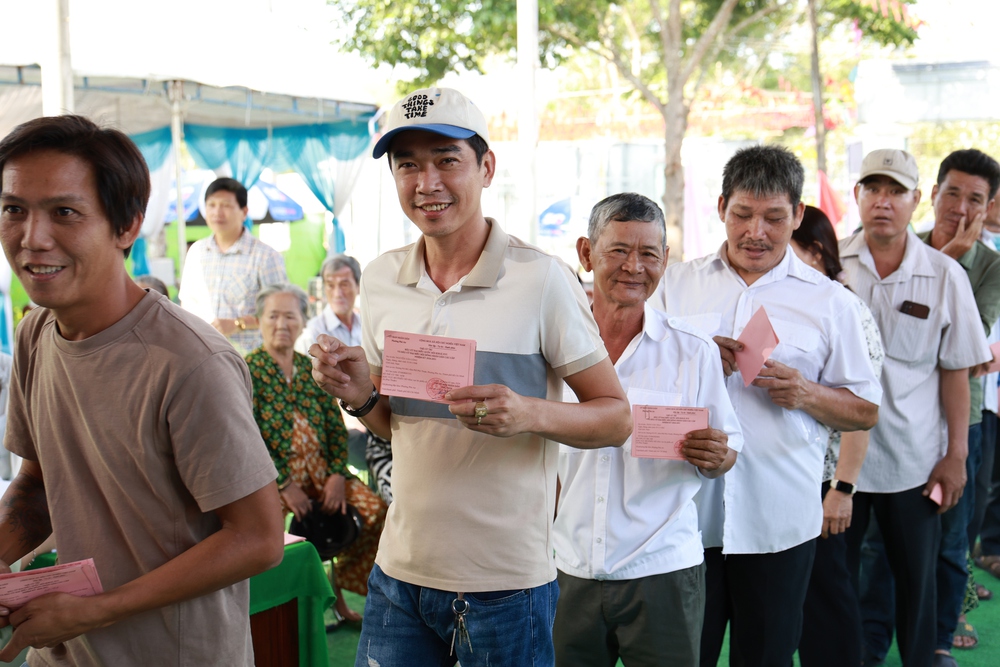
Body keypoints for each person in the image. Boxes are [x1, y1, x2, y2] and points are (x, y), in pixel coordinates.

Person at [310, 87, 632, 667]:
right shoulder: (382, 279)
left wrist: (529, 412)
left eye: (445, 160)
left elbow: (616, 417)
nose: (426, 181)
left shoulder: (542, 280)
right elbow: (395, 424)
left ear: (485, 167)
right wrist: (360, 395)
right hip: (399, 572)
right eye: (407, 164)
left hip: (507, 585)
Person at [0, 114, 284, 665]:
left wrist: (98, 608)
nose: (32, 239)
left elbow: (258, 537)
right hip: (69, 647)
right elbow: (37, 488)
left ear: (127, 225)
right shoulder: (36, 331)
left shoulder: (190, 363)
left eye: (64, 212)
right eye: (13, 209)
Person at [653, 144, 882, 667]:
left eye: (775, 218)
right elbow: (635, 373)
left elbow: (865, 410)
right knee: (686, 656)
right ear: (720, 208)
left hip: (779, 522)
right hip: (683, 518)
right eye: (743, 215)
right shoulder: (674, 287)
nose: (756, 232)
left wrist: (807, 393)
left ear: (798, 216)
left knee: (767, 657)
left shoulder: (831, 303)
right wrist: (695, 359)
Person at [552, 193, 743, 667]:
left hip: (662, 569)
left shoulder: (693, 350)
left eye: (649, 254)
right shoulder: (548, 345)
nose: (634, 266)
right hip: (563, 564)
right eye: (618, 250)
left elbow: (729, 446)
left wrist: (718, 456)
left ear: (665, 261)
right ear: (585, 252)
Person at [839, 148, 991, 667]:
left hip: (913, 462)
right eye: (872, 189)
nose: (882, 202)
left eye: (895, 191)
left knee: (918, 588)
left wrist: (955, 455)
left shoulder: (945, 275)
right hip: (839, 470)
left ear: (914, 200)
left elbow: (955, 374)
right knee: (838, 586)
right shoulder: (830, 268)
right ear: (856, 196)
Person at [247, 282, 386, 626]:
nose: (282, 324)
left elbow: (334, 425)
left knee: (375, 512)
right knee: (273, 536)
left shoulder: (313, 367)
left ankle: (337, 596)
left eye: (290, 316)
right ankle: (287, 616)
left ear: (301, 322)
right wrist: (282, 484)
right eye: (273, 316)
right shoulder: (248, 369)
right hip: (272, 482)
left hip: (323, 476)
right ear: (259, 320)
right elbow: (247, 437)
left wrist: (338, 474)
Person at [791, 206, 885, 667]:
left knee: (828, 601)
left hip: (823, 482)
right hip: (783, 480)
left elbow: (861, 412)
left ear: (816, 252)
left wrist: (842, 489)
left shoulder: (845, 308)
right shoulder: (781, 302)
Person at [178, 177, 288, 354]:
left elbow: (282, 313)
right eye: (211, 205)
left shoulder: (266, 256)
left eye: (226, 205)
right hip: (201, 355)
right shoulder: (196, 252)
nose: (217, 212)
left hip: (249, 359)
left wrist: (238, 324)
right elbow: (186, 305)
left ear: (244, 212)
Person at [296, 254, 363, 351]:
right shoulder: (312, 334)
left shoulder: (365, 326)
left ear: (358, 287)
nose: (337, 294)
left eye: (344, 285)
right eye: (330, 285)